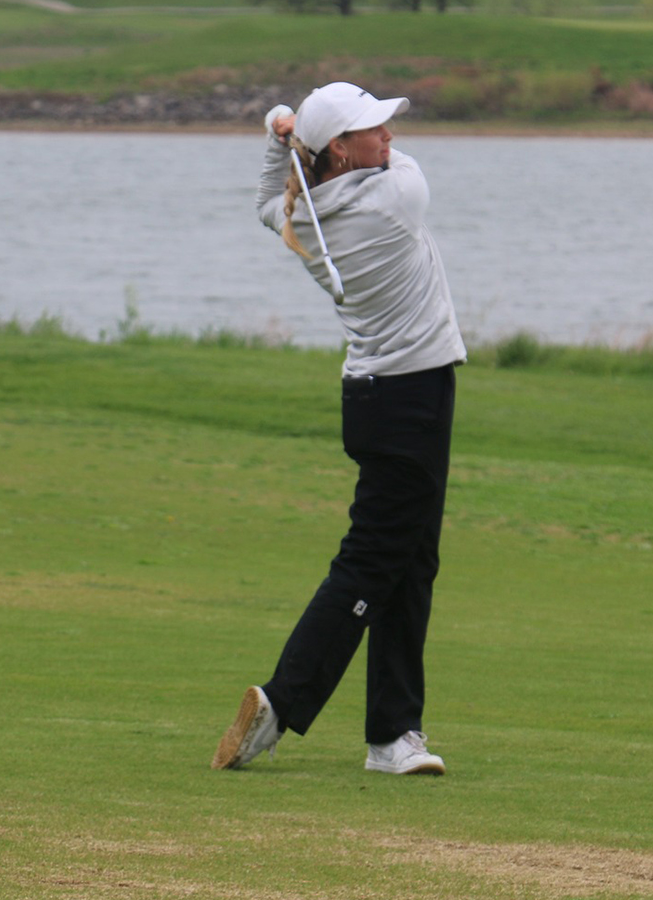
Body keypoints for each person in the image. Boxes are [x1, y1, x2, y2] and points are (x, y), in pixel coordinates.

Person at [212, 82, 466, 775]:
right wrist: (290, 137)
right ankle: (281, 701)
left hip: (378, 396)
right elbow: (397, 167)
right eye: (372, 129)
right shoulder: (396, 198)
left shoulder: (302, 212)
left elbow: (268, 201)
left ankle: (394, 735)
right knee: (375, 561)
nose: (389, 135)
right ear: (343, 152)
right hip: (411, 397)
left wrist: (282, 140)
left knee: (411, 562)